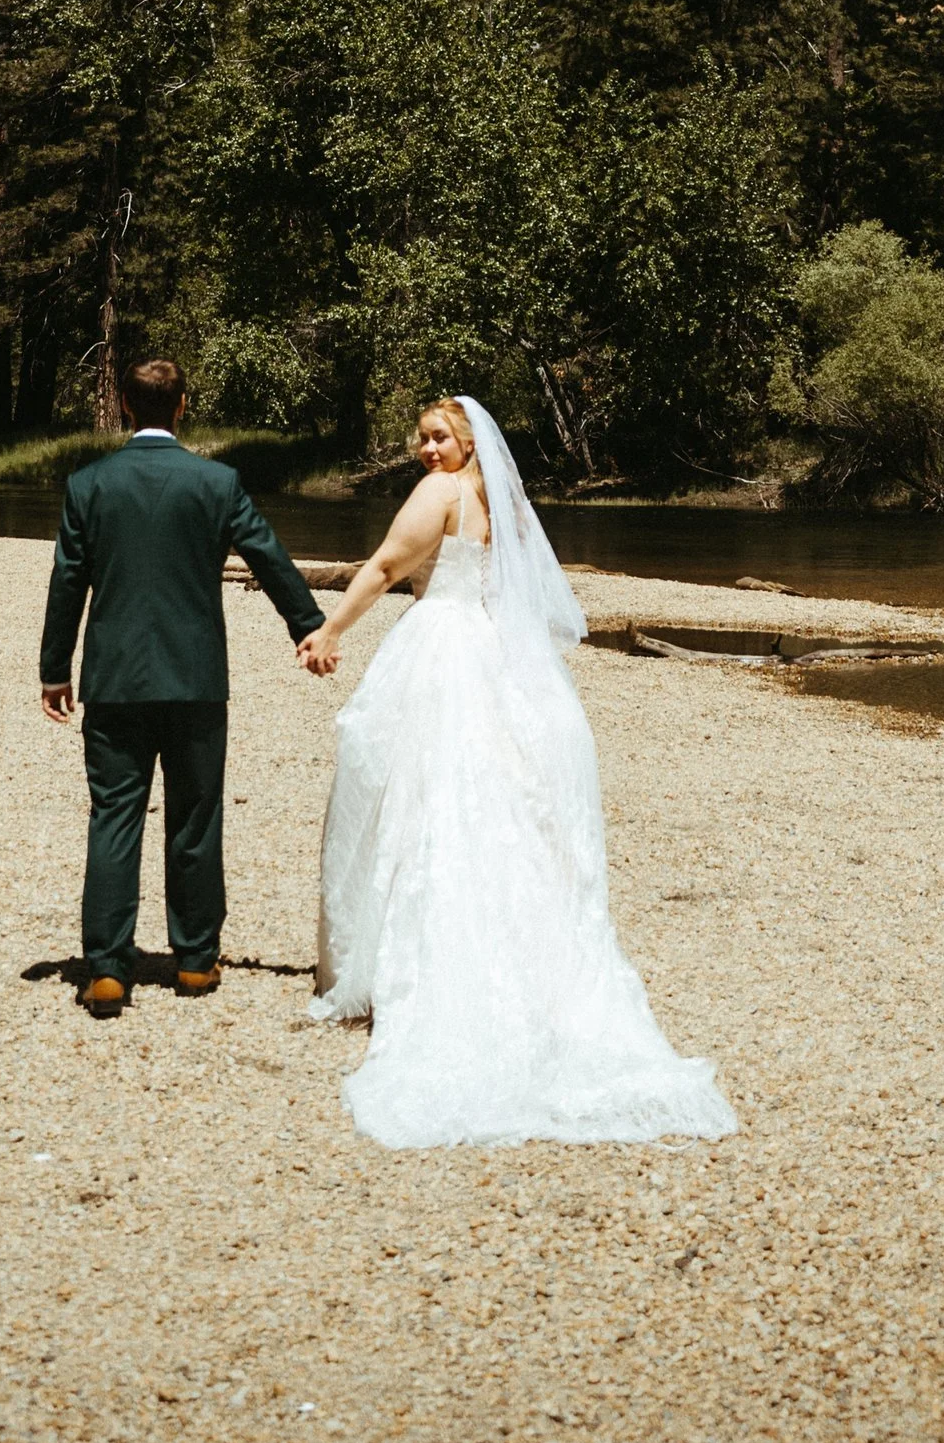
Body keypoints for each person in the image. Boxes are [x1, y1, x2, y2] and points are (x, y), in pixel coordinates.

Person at [300, 393, 735, 1149]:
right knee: (476, 797)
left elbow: (384, 565)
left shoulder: (439, 495)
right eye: (422, 439)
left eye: (441, 438)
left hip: (441, 644)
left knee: (418, 791)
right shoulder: (498, 500)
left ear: (470, 443)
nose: (428, 450)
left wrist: (329, 629)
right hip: (486, 645)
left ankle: (405, 962)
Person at [39, 354, 333, 1016]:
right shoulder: (217, 483)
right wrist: (308, 627)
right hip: (196, 677)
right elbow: (269, 555)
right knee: (195, 814)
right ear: (182, 406)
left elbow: (68, 579)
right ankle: (196, 961)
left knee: (114, 813)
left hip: (113, 679)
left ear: (122, 405)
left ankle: (109, 968)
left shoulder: (89, 483)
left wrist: (55, 668)